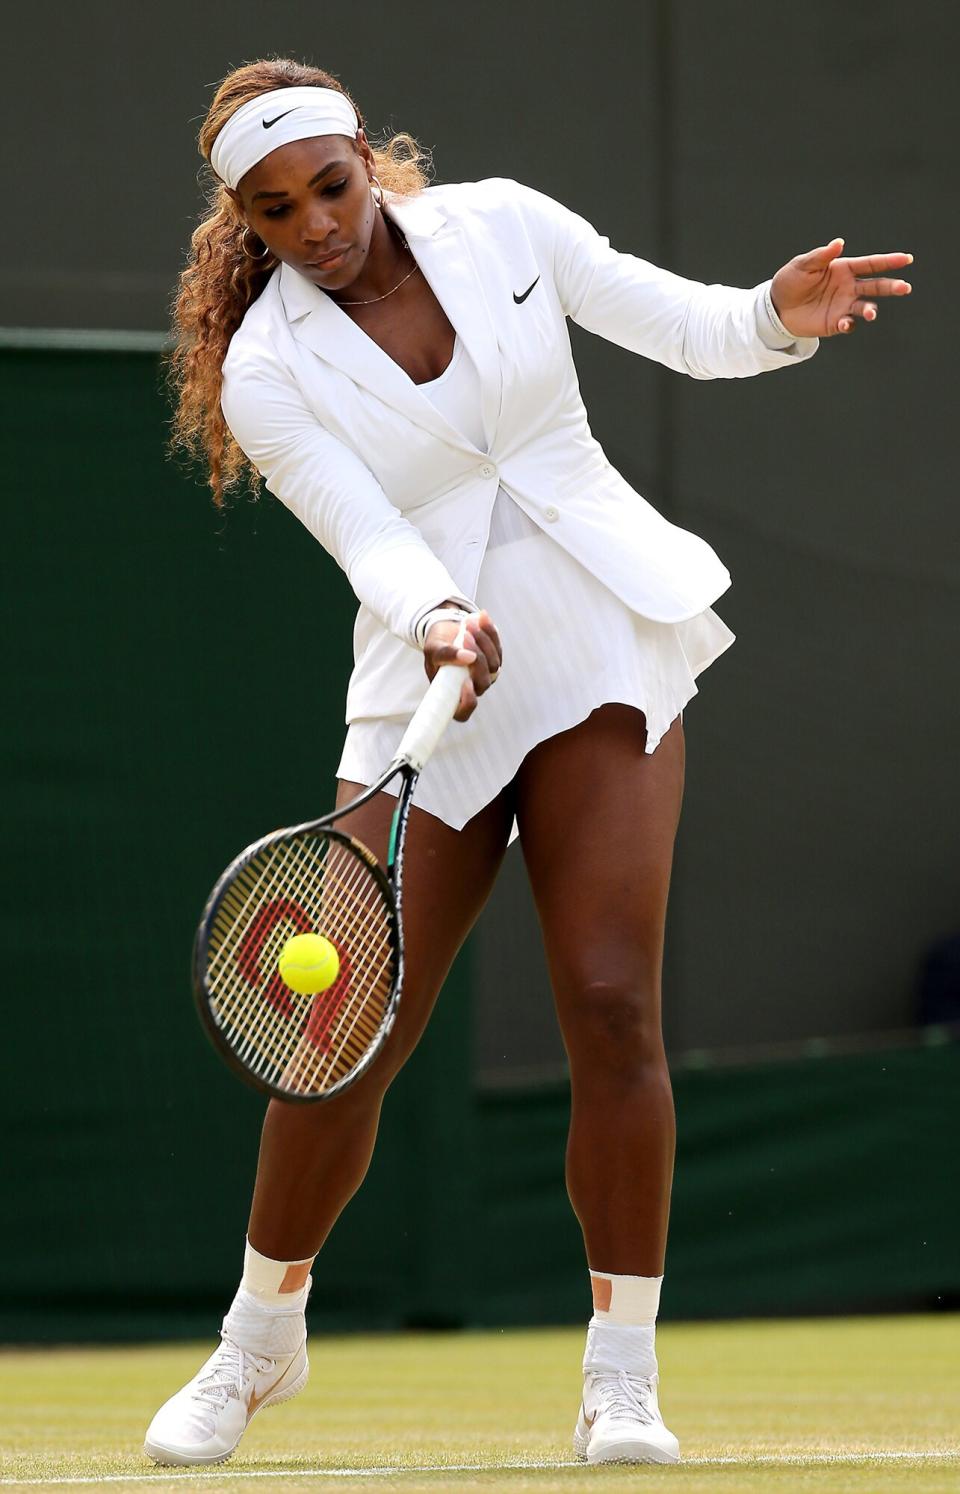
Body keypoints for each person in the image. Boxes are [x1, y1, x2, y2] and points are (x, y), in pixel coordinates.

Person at [147, 57, 913, 1468]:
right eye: (277, 209)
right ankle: (259, 1336)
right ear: (248, 222)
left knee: (615, 1003)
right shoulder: (268, 371)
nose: (316, 223)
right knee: (340, 1041)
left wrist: (773, 316)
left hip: (604, 634)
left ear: (365, 157)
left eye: (328, 185)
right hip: (430, 675)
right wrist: (437, 613)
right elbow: (368, 535)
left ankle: (620, 1374)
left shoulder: (503, 224)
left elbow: (684, 323)